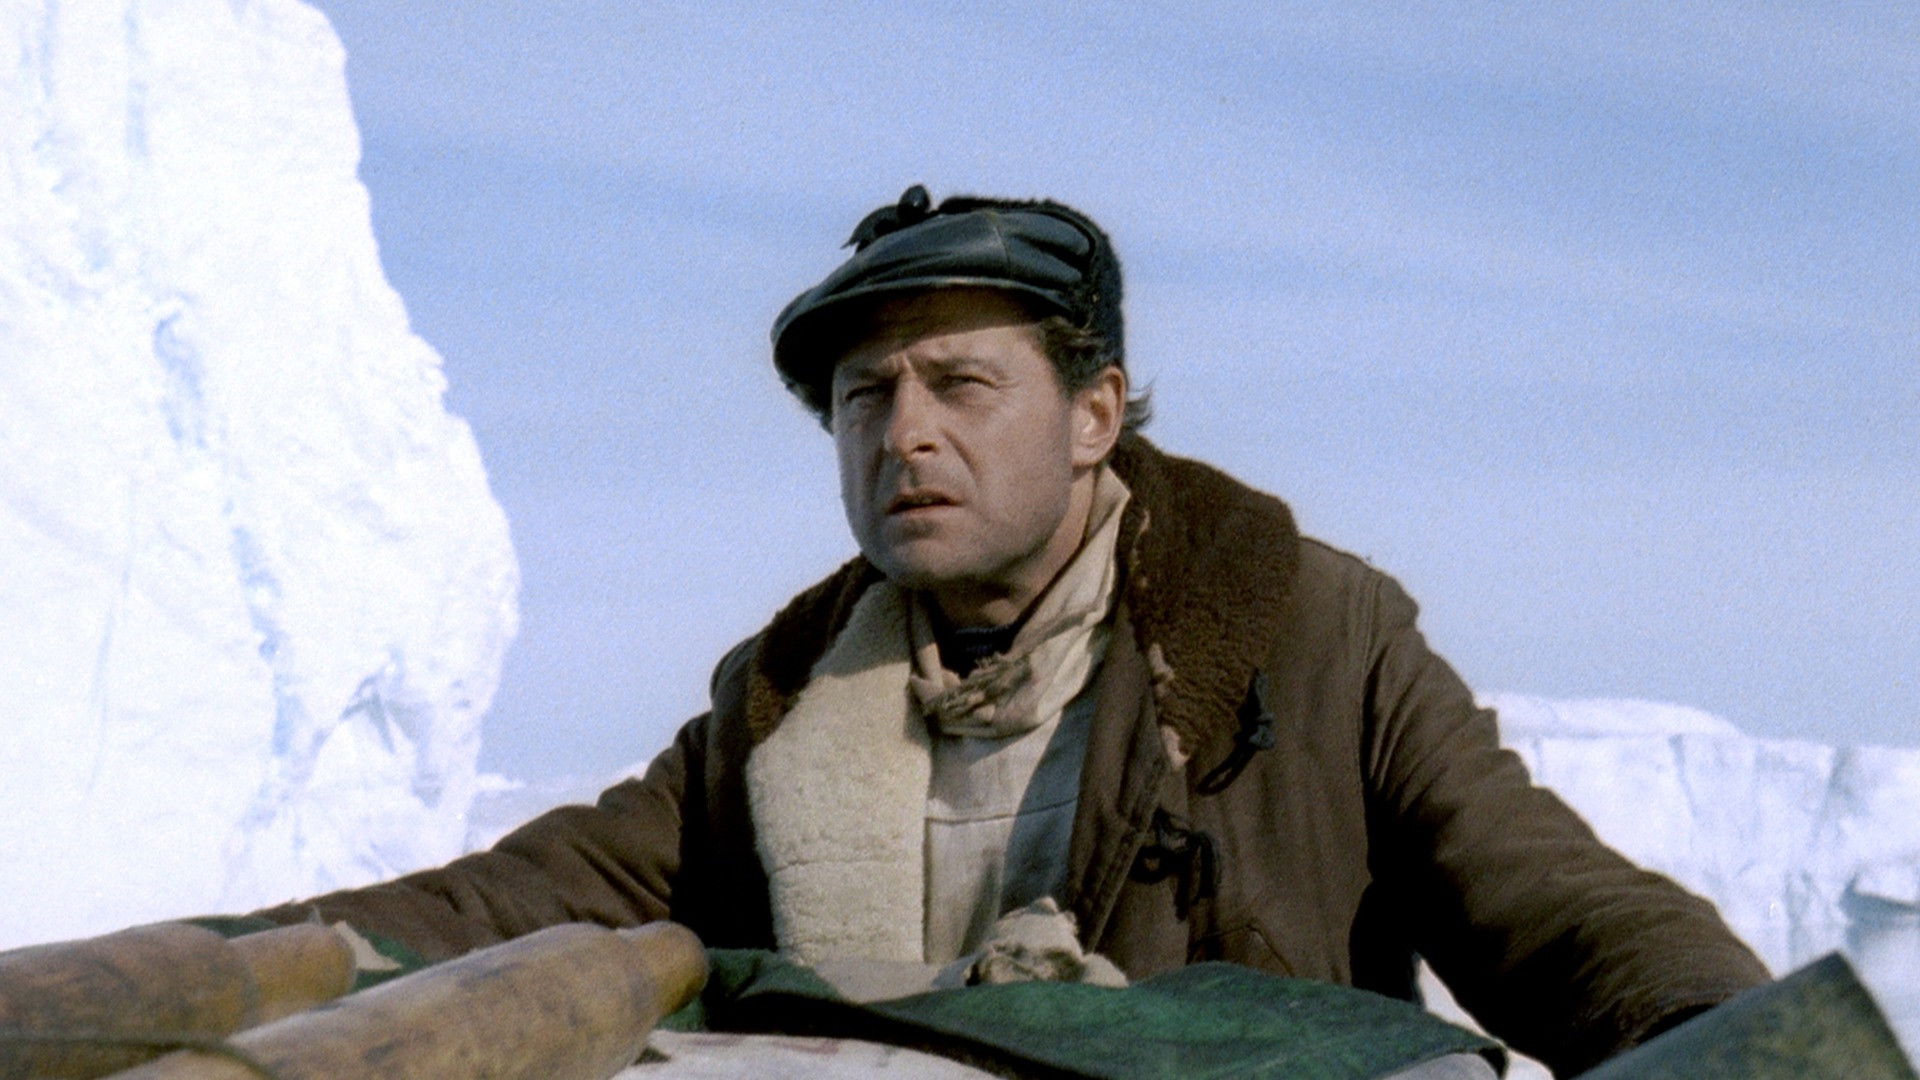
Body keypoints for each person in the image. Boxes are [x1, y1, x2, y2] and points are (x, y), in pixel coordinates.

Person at [253, 186, 1768, 1076]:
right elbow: (526, 898)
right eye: (865, 398)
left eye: (960, 384)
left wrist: (1722, 1039)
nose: (903, 433)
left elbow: (1551, 904)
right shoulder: (780, 703)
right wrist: (231, 966)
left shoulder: (1311, 634)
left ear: (1095, 415)